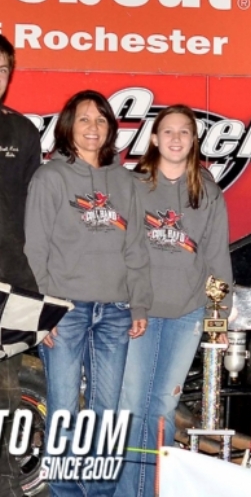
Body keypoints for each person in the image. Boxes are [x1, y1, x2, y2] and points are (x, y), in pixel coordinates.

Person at [24, 90, 152, 497]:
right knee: (63, 410)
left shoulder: (123, 180)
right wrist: (42, 313)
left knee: (106, 413)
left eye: (100, 120)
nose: (93, 128)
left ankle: (99, 493)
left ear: (111, 128)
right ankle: (64, 492)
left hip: (116, 309)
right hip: (65, 311)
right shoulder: (50, 177)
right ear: (68, 127)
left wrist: (138, 303)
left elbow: (136, 246)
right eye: (84, 120)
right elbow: (35, 248)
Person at [115, 104, 233, 497]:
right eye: (168, 131)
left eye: (185, 131)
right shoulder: (132, 186)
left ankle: (153, 491)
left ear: (194, 140)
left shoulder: (209, 192)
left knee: (163, 410)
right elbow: (118, 251)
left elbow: (218, 263)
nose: (176, 138)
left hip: (187, 314)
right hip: (139, 313)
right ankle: (127, 491)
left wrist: (219, 324)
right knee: (132, 407)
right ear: (153, 138)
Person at [0, 35, 41, 497]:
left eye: (4, 68)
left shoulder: (21, 132)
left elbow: (34, 219)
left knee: (7, 403)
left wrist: (34, 290)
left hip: (8, 290)